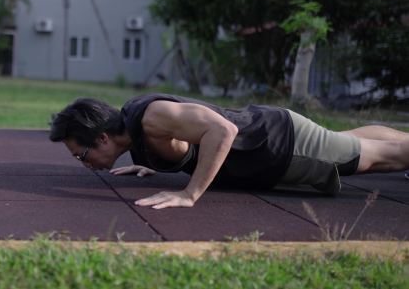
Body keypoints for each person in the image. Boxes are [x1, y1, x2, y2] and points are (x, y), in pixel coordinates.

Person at [49, 93, 409, 209]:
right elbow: (185, 144)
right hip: (272, 132)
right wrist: (150, 166)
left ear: (101, 138)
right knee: (357, 141)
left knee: (378, 158)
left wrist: (190, 194)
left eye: (82, 156)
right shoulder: (133, 126)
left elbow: (223, 130)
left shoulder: (152, 118)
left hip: (279, 147)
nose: (86, 165)